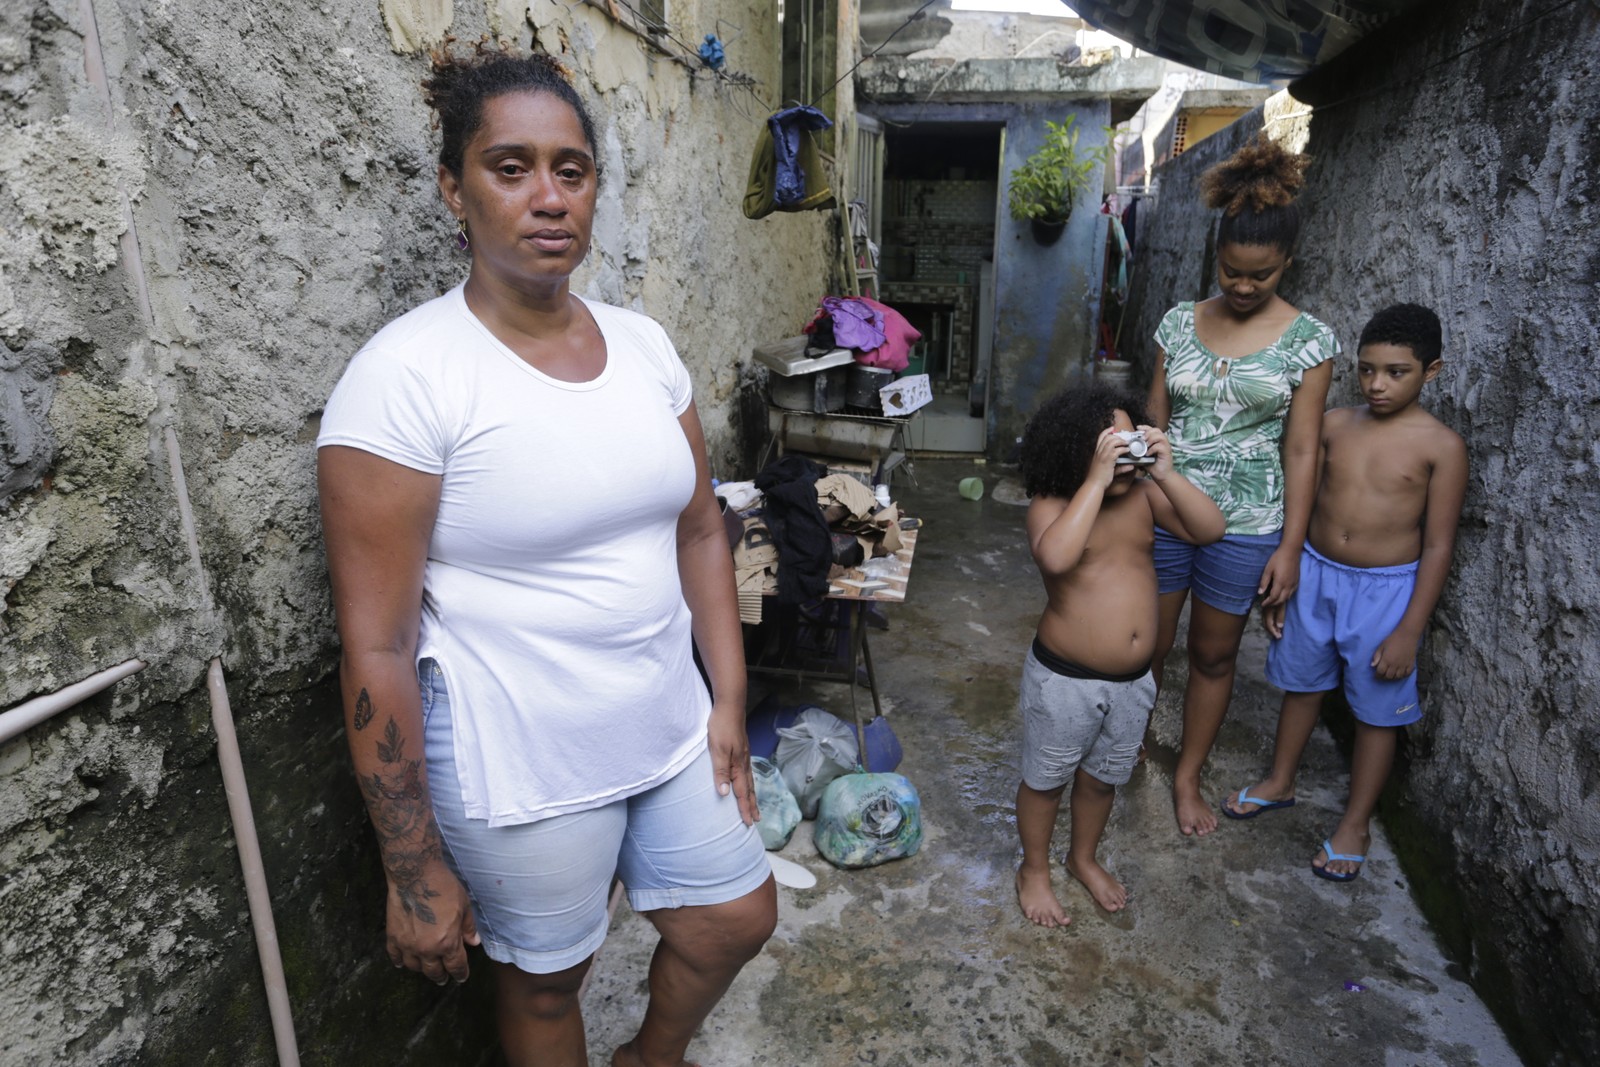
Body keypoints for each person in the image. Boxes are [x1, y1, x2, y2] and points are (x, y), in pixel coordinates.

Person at [316, 44, 775, 1067]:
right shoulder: (404, 382)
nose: (547, 195)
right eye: (509, 166)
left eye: (570, 169)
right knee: (547, 980)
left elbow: (699, 528)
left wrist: (728, 696)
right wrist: (413, 861)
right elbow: (377, 645)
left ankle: (647, 1057)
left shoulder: (646, 348)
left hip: (661, 720)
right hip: (519, 756)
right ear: (453, 188)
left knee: (734, 915)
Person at [1222, 304, 1467, 882]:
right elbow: (1300, 505)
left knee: (1377, 713)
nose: (1377, 384)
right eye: (1367, 369)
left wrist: (1409, 629)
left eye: (1397, 372)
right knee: (1301, 686)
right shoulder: (1333, 425)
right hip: (1315, 572)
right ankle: (1281, 780)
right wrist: (1286, 578)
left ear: (1432, 372)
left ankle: (1355, 822)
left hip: (1385, 592)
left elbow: (1437, 547)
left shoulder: (1441, 447)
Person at [1146, 134, 1338, 836]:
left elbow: (1302, 448)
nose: (1245, 286)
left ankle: (1188, 775)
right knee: (1148, 644)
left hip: (1250, 524)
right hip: (1165, 509)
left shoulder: (1309, 340)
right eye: (1232, 272)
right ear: (1218, 256)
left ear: (1287, 261)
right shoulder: (1178, 323)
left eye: (1261, 275)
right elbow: (1152, 425)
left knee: (1214, 652)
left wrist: (1290, 546)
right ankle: (1129, 749)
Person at [1014, 384, 1225, 927]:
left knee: (1102, 779)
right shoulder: (1053, 505)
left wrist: (1167, 472)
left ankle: (1082, 857)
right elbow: (1057, 558)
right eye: (1112, 444)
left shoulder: (1144, 495)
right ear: (1075, 453)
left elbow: (1209, 529)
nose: (1126, 452)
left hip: (1134, 682)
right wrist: (1096, 481)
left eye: (1131, 439)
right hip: (1066, 681)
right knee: (1046, 782)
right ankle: (1033, 869)